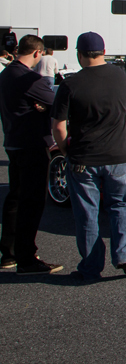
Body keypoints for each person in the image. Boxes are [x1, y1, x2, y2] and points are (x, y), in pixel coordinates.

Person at [51, 32, 126, 280]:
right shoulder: (120, 76)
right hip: (120, 155)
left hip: (84, 158)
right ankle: (124, 255)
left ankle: (91, 267)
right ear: (103, 51)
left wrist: (65, 150)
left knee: (87, 213)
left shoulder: (71, 84)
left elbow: (59, 126)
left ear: (80, 54)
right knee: (122, 206)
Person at [0, 35, 63, 275]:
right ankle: (27, 257)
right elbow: (56, 103)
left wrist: (38, 106)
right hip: (33, 144)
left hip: (13, 142)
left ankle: (8, 253)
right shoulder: (30, 79)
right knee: (33, 201)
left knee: (15, 198)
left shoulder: (5, 75)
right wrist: (42, 107)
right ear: (37, 53)